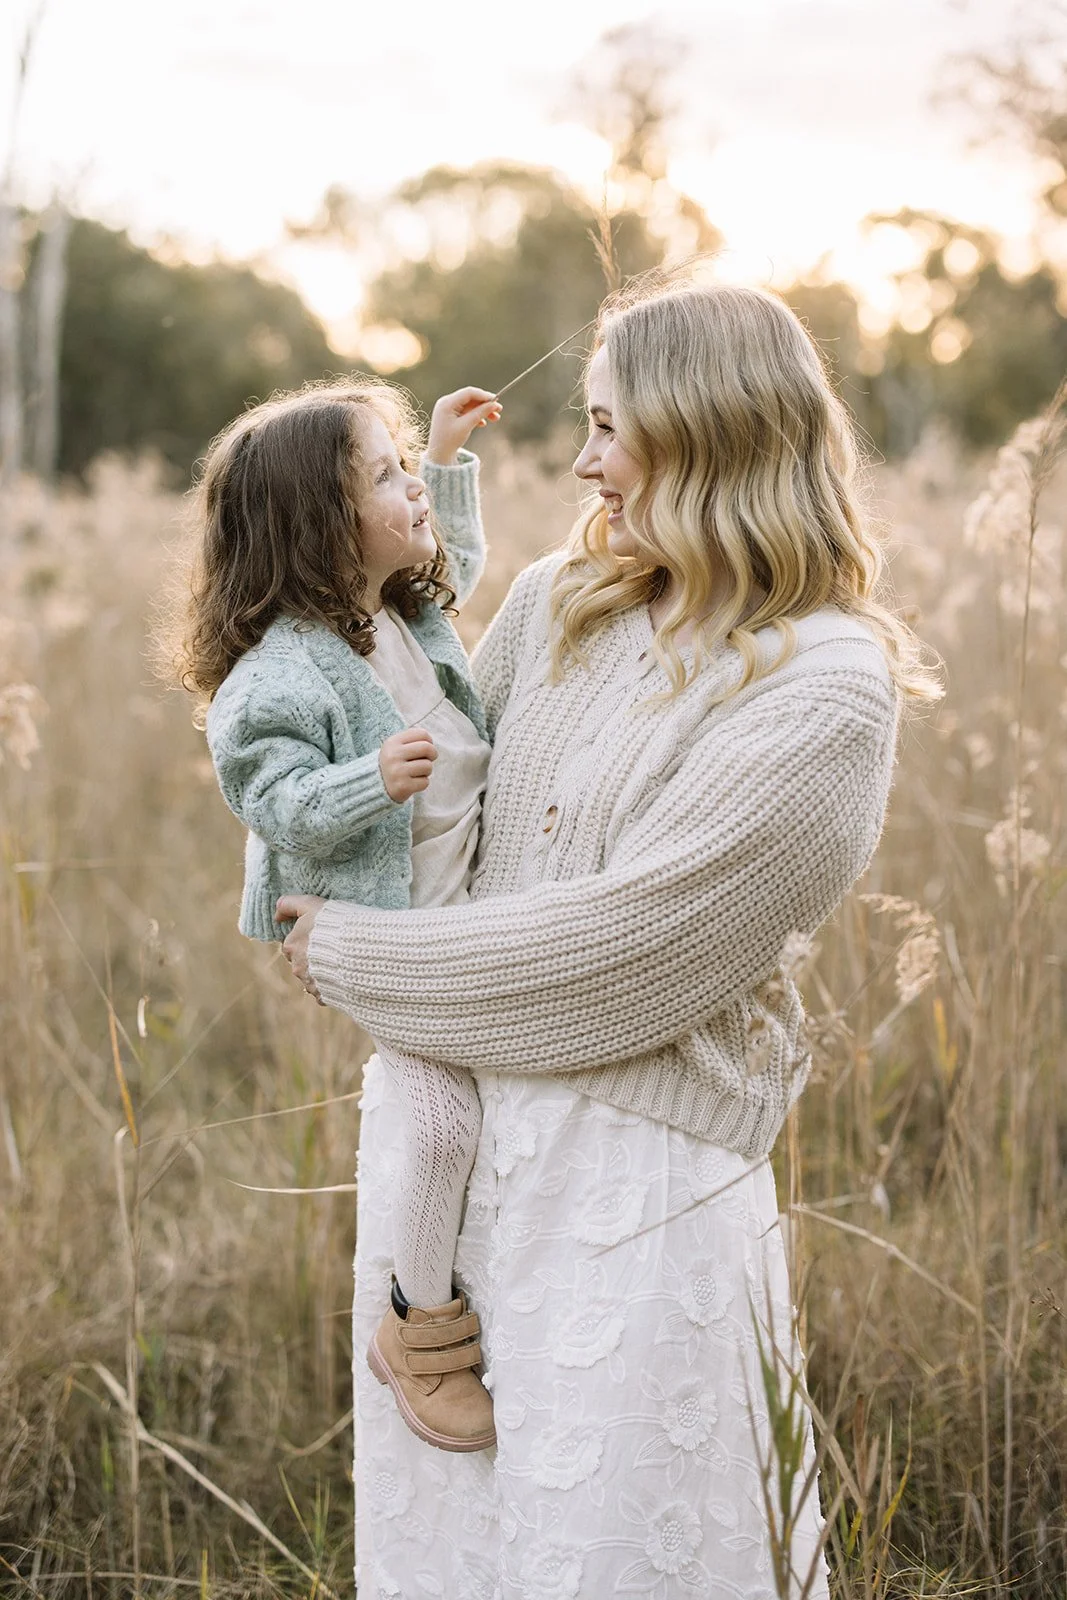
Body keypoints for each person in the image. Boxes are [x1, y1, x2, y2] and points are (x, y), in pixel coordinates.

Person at [279, 280, 941, 1599]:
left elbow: (637, 950)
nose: (581, 461)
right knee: (455, 1553)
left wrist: (357, 957)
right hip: (450, 1158)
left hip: (632, 1183)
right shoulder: (555, 599)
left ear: (711, 435)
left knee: (614, 1549)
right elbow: (450, 809)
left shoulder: (826, 677)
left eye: (607, 426)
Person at [178, 376, 506, 1454]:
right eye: (387, 475)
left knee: (486, 1113)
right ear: (319, 526)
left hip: (456, 914)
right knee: (443, 1120)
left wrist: (446, 460)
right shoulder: (279, 672)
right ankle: (418, 1330)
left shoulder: (402, 611)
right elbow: (272, 800)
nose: (410, 490)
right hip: (384, 932)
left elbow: (447, 557)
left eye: (406, 468)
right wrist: (371, 778)